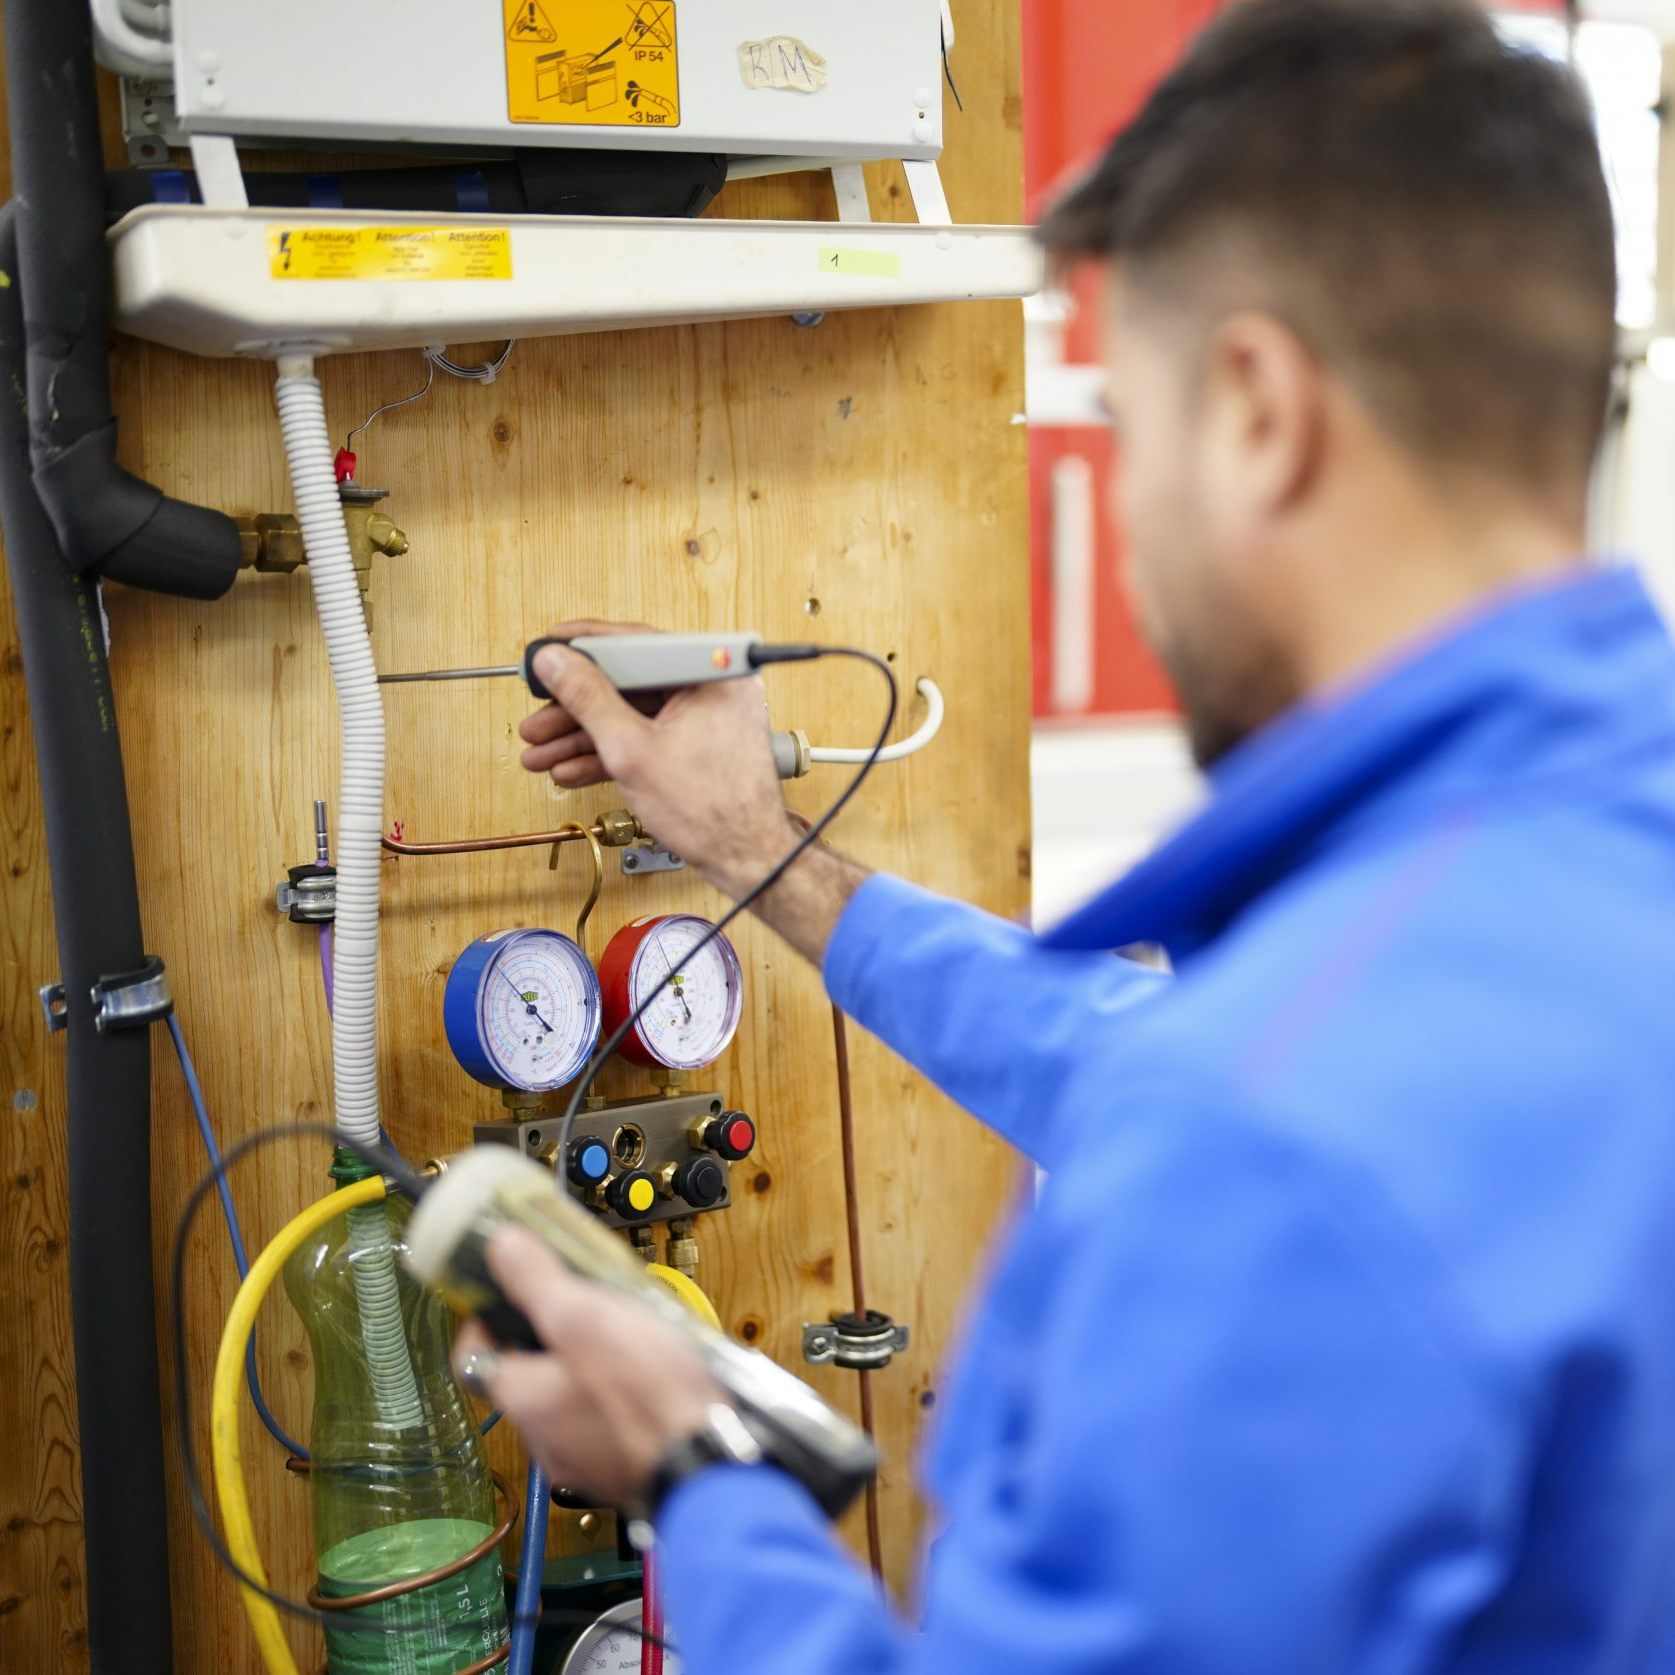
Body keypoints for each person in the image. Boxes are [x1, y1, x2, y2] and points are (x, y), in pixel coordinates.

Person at [453, 2, 1675, 1668]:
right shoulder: (1570, 885)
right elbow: (1149, 1056)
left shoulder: (1266, 1139)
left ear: (1257, 414)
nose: (1134, 542)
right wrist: (762, 852)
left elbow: (1247, 1117)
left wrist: (694, 1477)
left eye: (1131, 429)